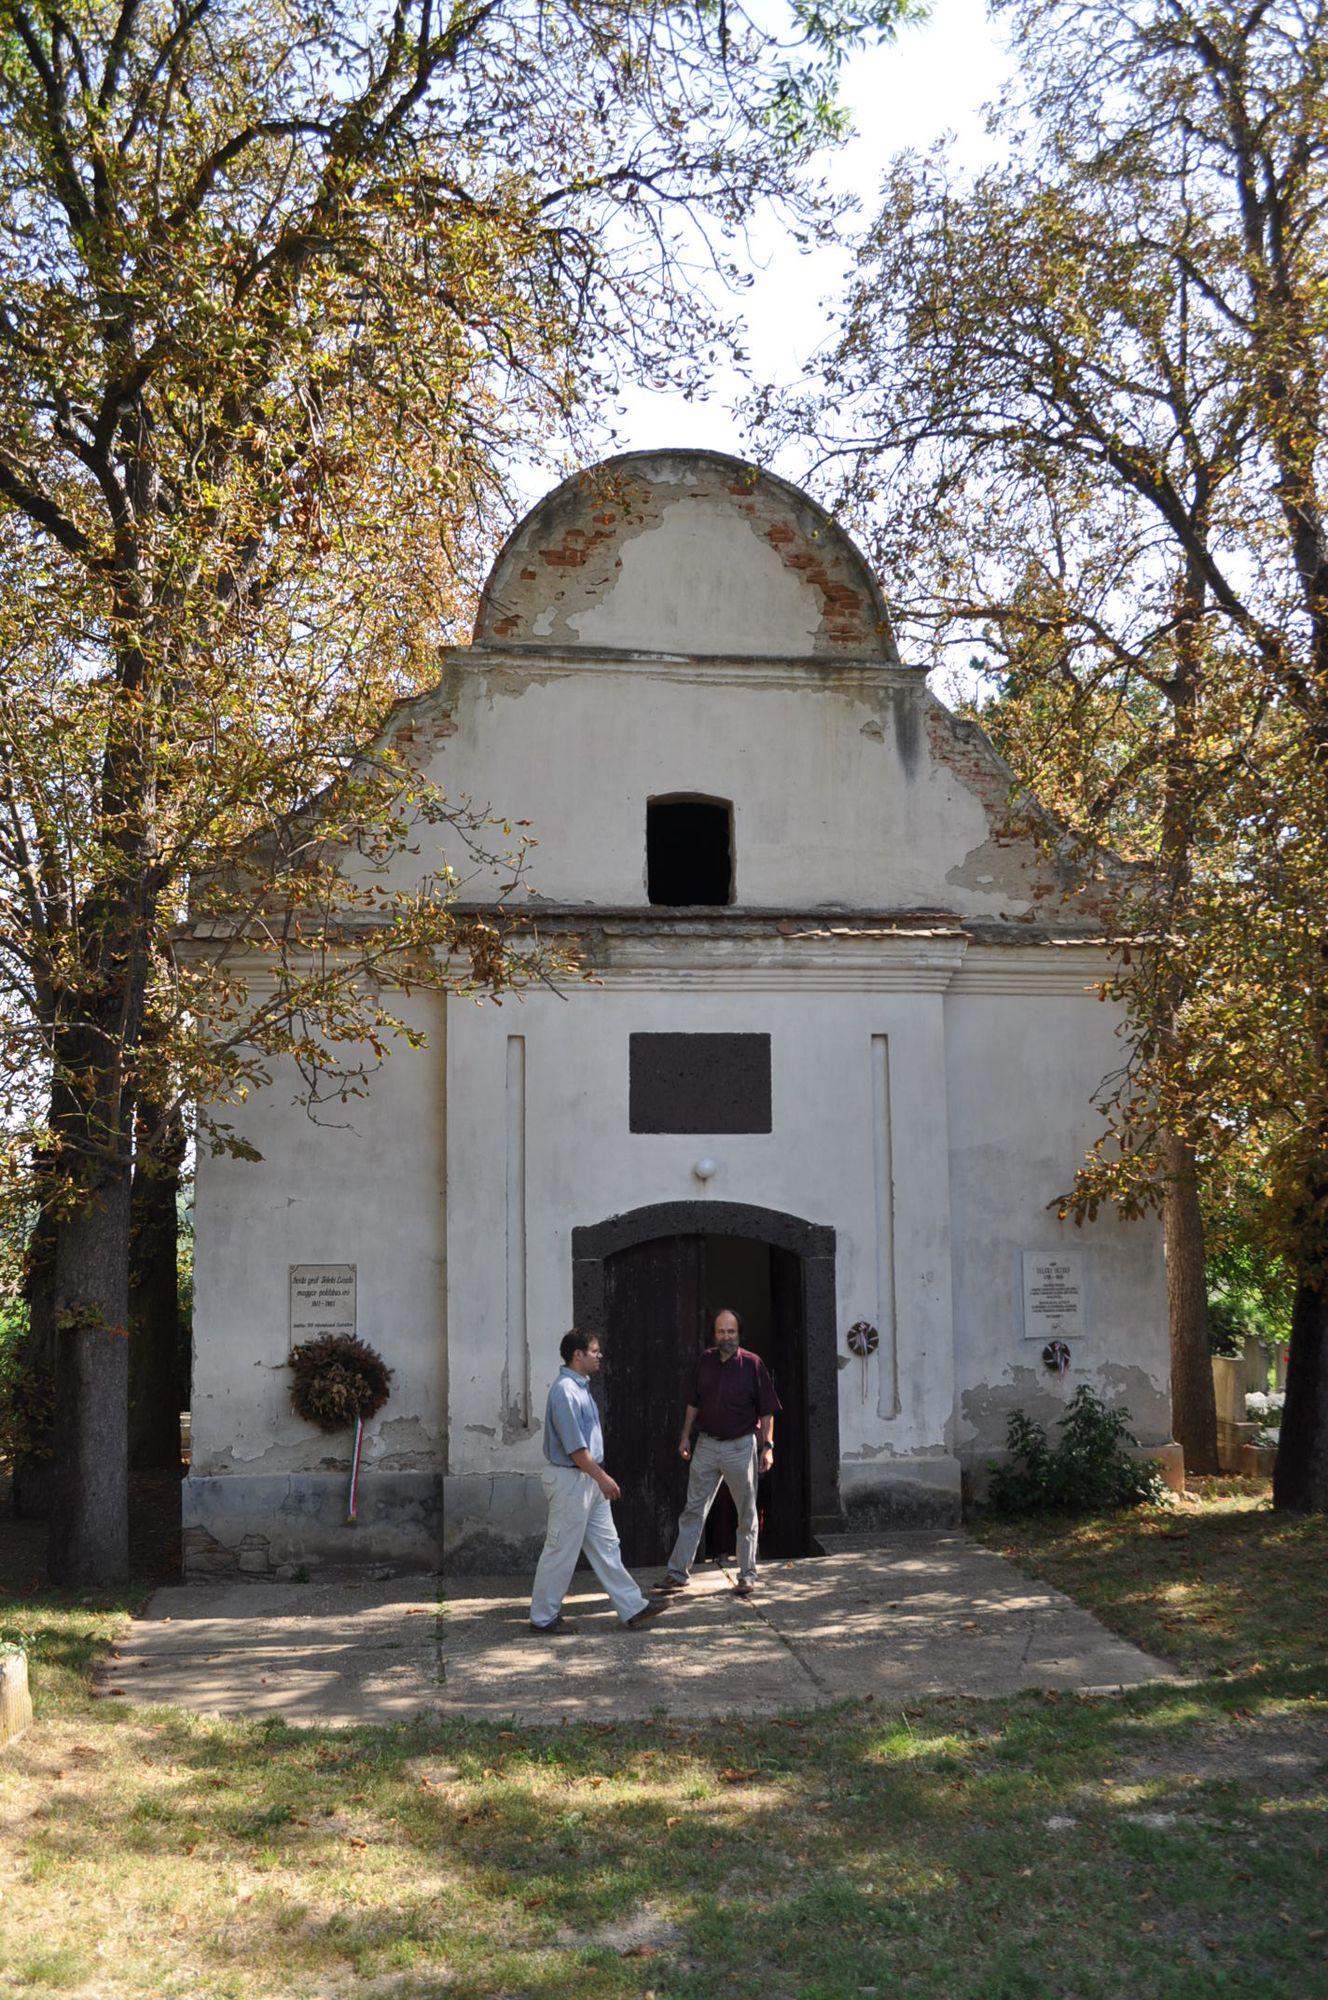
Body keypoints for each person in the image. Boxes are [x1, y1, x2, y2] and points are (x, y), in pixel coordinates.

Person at [529, 1329, 667, 1634]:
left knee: (607, 1546)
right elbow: (576, 1450)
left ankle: (633, 1607)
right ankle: (542, 1617)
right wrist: (602, 1478)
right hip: (572, 1480)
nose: (599, 1356)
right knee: (560, 1549)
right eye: (594, 1351)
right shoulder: (565, 1391)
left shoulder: (580, 1387)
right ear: (577, 1355)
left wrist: (597, 1479)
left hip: (586, 1480)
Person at [656, 1308, 781, 1600]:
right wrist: (685, 1435)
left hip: (741, 1446)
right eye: (721, 1332)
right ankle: (677, 1573)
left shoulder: (752, 1364)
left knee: (746, 1513)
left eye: (731, 1331)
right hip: (706, 1446)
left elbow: (767, 1410)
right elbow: (693, 1402)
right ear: (714, 1334)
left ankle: (747, 1575)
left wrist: (768, 1446)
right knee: (693, 1510)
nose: (726, 1336)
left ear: (739, 1333)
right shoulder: (704, 1362)